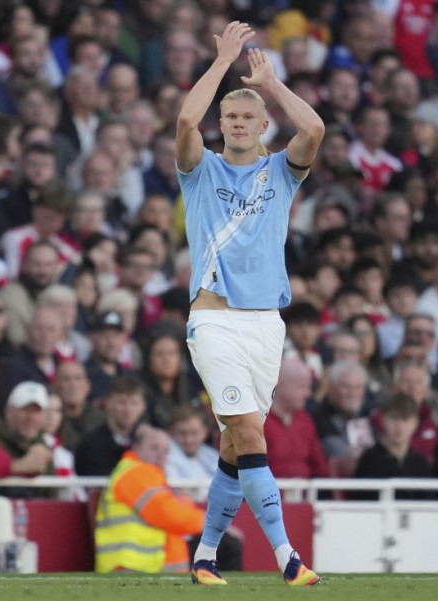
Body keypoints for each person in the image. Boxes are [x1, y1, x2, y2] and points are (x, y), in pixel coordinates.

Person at [176, 22, 324, 586]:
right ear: (221, 125)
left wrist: (271, 83)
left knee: (235, 446)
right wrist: (222, 62)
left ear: (264, 126)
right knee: (250, 433)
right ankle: (287, 557)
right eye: (230, 117)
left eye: (247, 117)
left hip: (266, 326)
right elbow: (185, 122)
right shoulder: (200, 171)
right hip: (213, 320)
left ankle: (204, 556)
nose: (237, 123)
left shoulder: (280, 172)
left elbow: (314, 128)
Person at [94, 426, 205, 573]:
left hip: (145, 567)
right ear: (136, 448)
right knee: (224, 546)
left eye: (166, 451)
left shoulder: (152, 477)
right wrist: (208, 523)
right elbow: (167, 512)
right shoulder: (135, 472)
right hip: (129, 567)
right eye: (154, 448)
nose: (160, 455)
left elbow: (181, 507)